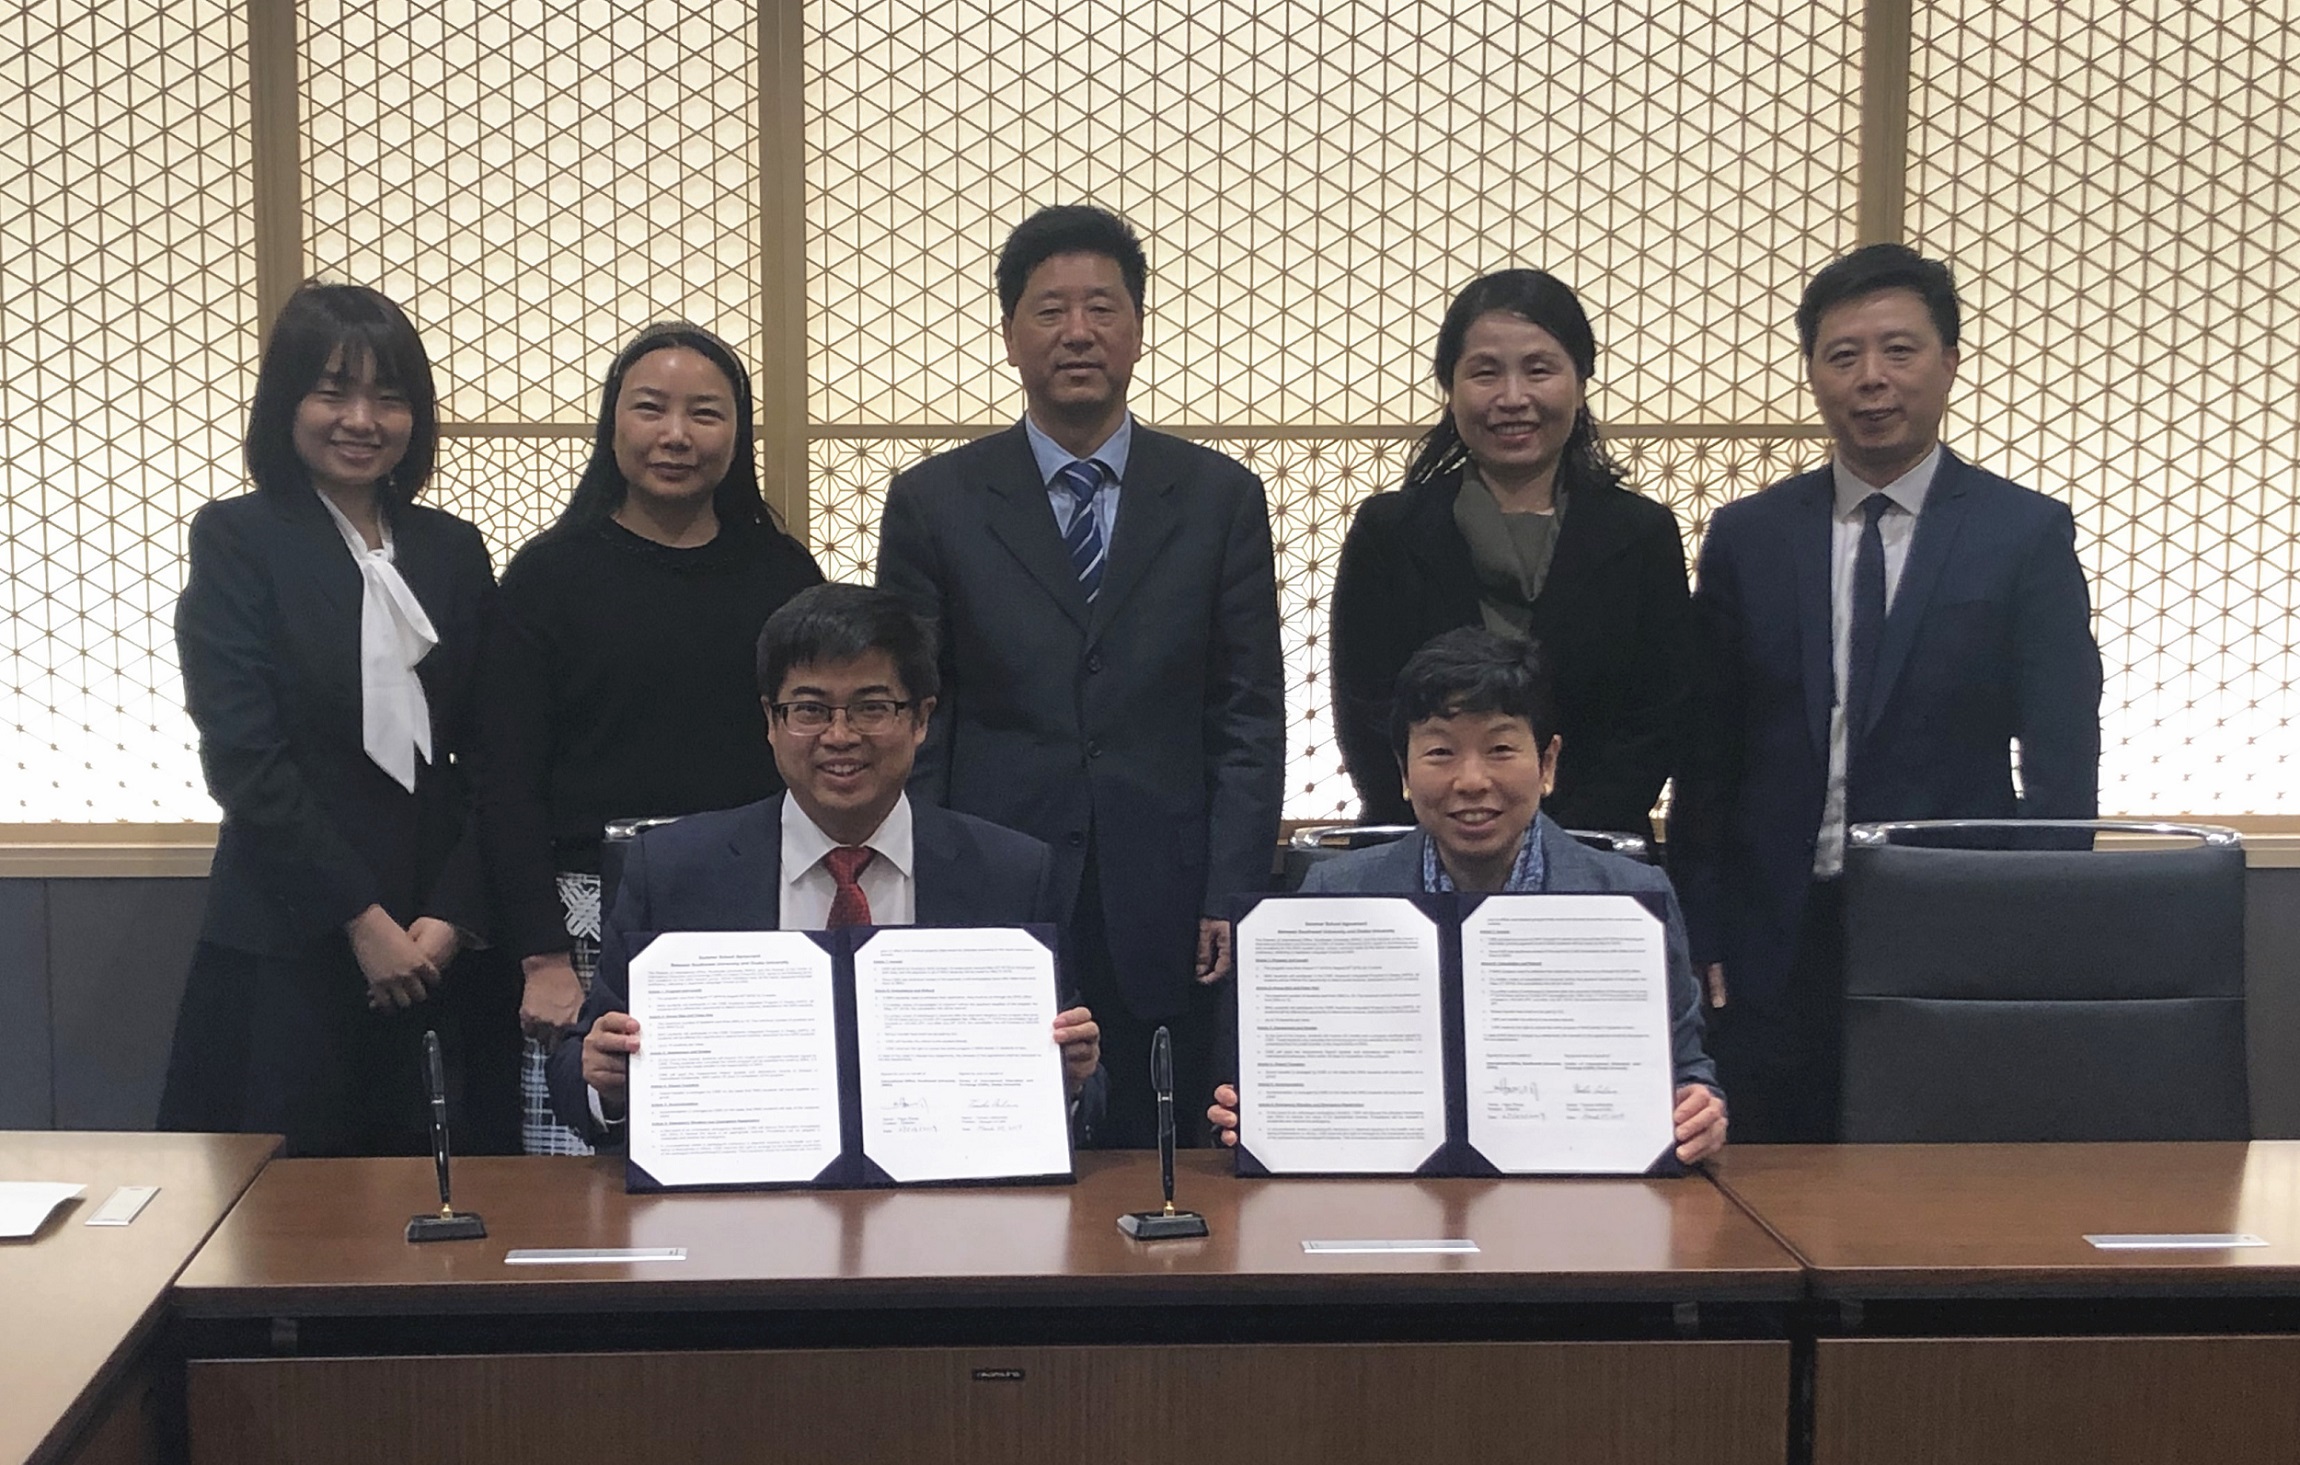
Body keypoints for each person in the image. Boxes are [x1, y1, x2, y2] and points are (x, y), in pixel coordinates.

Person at [1670, 243, 2103, 1143]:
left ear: (1949, 362)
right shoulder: (1750, 535)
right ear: (1814, 373)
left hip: (1953, 916)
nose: (1871, 378)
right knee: (1772, 1172)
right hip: (1774, 924)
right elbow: (1708, 749)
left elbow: (2062, 748)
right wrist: (1699, 919)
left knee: (1937, 1172)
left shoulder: (2022, 532)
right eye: (1844, 355)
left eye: (1898, 350)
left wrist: (2040, 911)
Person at [875, 205, 1284, 1148]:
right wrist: (927, 878)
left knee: (1156, 1139)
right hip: (996, 866)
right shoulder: (935, 500)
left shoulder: (1219, 496)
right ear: (1010, 332)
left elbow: (1248, 711)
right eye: (1050, 310)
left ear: (1137, 328)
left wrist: (1231, 887)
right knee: (989, 1131)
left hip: (1169, 884)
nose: (1077, 332)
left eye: (1102, 308)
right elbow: (916, 714)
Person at [548, 583, 1105, 1144]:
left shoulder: (1010, 873)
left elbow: (1083, 1086)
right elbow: (576, 1073)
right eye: (810, 710)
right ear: (771, 720)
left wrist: (1073, 1078)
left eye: (872, 708)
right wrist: (606, 1083)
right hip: (741, 1183)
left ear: (921, 719)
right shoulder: (673, 871)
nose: (840, 736)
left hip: (944, 1186)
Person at [159, 281, 502, 1157]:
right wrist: (360, 920)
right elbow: (245, 756)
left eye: (389, 397)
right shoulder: (239, 539)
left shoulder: (452, 549)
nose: (362, 419)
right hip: (290, 925)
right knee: (282, 1201)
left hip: (434, 937)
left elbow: (493, 750)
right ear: (286, 403)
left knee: (445, 1191)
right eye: (332, 391)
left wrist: (451, 916)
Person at [479, 323, 824, 1155]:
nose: (676, 435)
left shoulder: (784, 575)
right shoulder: (547, 576)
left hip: (751, 906)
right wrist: (541, 959)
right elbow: (504, 780)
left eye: (704, 413)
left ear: (737, 433)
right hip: (583, 920)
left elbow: (817, 752)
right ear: (613, 424)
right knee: (587, 1166)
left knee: (750, 1147)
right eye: (650, 409)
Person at [1208, 627, 1727, 1164]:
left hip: (1577, 1192)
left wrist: (1698, 1111)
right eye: (1440, 752)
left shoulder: (1631, 899)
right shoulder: (1334, 898)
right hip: (1387, 1196)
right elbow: (1297, 1071)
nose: (1472, 780)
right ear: (1404, 771)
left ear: (1547, 763)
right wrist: (1263, 1113)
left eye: (1500, 749)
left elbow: (1687, 1071)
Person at [1331, 268, 1689, 837]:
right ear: (1450, 387)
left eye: (1539, 370)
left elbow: (1657, 717)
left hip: (1593, 852)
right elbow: (1367, 712)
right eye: (1485, 372)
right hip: (1420, 848)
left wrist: (1558, 848)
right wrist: (1459, 833)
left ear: (1581, 380)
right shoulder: (1390, 531)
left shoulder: (1641, 534)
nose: (1513, 398)